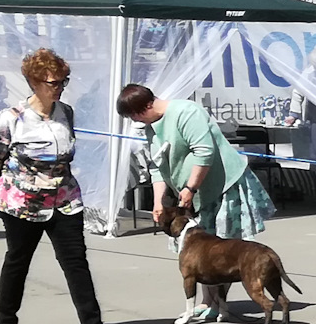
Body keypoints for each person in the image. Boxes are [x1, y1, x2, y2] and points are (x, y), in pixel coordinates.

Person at [0, 48, 120, 324]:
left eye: (62, 82)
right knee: (18, 260)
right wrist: (5, 185)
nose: (58, 88)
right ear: (34, 83)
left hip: (64, 198)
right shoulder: (12, 118)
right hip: (23, 202)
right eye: (52, 83)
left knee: (76, 261)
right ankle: (6, 322)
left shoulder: (65, 113)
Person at [116, 85, 275, 261]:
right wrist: (158, 202)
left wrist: (191, 187)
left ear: (146, 107)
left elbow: (204, 152)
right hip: (193, 195)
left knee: (226, 251)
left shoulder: (186, 112)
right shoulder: (151, 127)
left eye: (133, 115)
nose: (134, 121)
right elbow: (157, 166)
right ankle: (212, 286)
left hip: (221, 187)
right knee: (200, 255)